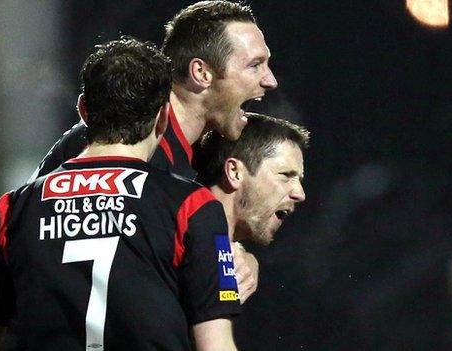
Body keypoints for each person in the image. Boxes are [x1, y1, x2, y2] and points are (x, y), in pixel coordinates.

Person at [0, 38, 239, 351]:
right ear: (163, 119)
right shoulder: (193, 207)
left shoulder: (10, 210)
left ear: (84, 111)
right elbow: (216, 345)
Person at [30, 0, 278, 303]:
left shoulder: (203, 152)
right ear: (201, 73)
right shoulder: (120, 141)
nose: (270, 80)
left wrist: (238, 258)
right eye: (254, 65)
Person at [194, 113, 309, 245]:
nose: (300, 194)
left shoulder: (217, 245)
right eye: (285, 175)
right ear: (234, 172)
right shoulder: (177, 237)